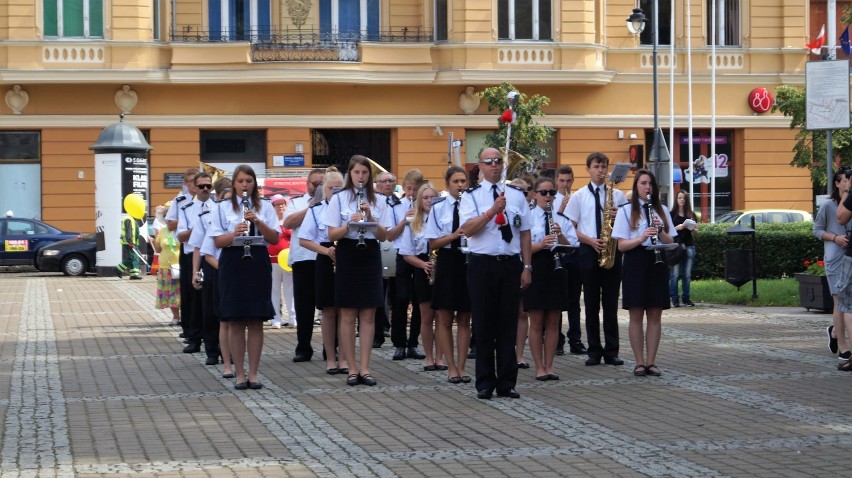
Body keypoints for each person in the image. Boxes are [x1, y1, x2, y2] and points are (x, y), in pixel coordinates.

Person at [460, 147, 532, 400]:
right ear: (479, 166)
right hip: (482, 264)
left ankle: (507, 382)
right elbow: (467, 230)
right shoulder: (470, 196)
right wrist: (491, 211)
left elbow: (524, 232)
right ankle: (484, 382)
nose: (494, 165)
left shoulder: (516, 194)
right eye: (488, 161)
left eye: (498, 161)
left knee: (507, 325)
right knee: (483, 324)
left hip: (509, 263)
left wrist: (526, 266)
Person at [209, 165, 279, 390]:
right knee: (236, 319)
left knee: (256, 320)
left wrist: (258, 222)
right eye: (240, 181)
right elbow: (217, 242)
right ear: (234, 184)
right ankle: (239, 373)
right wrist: (234, 233)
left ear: (254, 183)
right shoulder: (221, 208)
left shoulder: (265, 206)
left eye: (249, 180)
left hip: (257, 261)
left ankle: (254, 373)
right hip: (232, 261)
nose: (245, 185)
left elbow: (275, 238)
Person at [324, 155, 391, 387]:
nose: (360, 177)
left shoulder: (379, 199)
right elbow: (331, 235)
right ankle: (351, 368)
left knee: (369, 313)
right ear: (349, 175)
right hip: (348, 252)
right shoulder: (339, 198)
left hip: (370, 253)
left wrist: (370, 217)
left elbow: (385, 236)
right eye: (356, 173)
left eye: (364, 173)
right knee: (348, 314)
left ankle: (365, 368)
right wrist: (348, 225)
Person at [611, 169, 675, 377]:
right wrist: (641, 237)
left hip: (657, 261)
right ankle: (639, 362)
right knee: (636, 313)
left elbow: (671, 241)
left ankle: (651, 362)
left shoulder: (662, 209)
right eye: (643, 183)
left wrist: (659, 231)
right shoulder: (626, 210)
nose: (647, 187)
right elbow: (621, 246)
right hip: (636, 261)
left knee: (655, 313)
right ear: (636, 186)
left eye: (650, 184)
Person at [566, 152, 627, 366]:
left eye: (603, 167)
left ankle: (612, 351)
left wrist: (619, 216)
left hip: (611, 250)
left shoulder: (617, 196)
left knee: (610, 303)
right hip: (588, 250)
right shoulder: (579, 196)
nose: (601, 171)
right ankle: (594, 350)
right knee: (591, 303)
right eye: (596, 166)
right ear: (588, 169)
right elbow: (571, 228)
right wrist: (590, 241)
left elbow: (627, 225)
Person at [524, 177, 578, 381]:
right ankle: (539, 367)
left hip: (557, 268)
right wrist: (540, 245)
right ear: (535, 194)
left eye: (551, 193)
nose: (548, 197)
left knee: (554, 321)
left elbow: (573, 247)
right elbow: (521, 248)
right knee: (537, 322)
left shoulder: (561, 218)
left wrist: (560, 235)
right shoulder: (528, 217)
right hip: (537, 267)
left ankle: (550, 366)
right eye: (543, 193)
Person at [299, 170, 348, 375]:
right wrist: (324, 250)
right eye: (331, 188)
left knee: (346, 311)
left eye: (339, 188)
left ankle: (345, 358)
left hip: (347, 257)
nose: (335, 192)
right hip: (325, 257)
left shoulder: (349, 208)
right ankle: (330, 357)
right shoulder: (316, 209)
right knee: (328, 311)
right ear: (324, 189)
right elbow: (304, 239)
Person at [426, 165, 472, 384]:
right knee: (444, 317)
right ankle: (451, 367)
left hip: (468, 261)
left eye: (463, 181)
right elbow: (432, 242)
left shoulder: (474, 206)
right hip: (447, 261)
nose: (460, 185)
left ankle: (462, 367)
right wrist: (454, 235)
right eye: (456, 181)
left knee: (465, 318)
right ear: (448, 184)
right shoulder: (439, 207)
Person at [282, 168, 326, 362]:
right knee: (303, 306)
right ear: (307, 184)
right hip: (303, 259)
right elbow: (289, 223)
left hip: (324, 258)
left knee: (328, 306)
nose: (317, 187)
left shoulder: (331, 203)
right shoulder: (296, 202)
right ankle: (303, 347)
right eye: (314, 183)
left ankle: (330, 348)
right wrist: (311, 206)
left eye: (321, 184)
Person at [400, 183, 445, 371]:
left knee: (442, 318)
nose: (428, 201)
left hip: (442, 267)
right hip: (423, 268)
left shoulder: (444, 219)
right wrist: (422, 264)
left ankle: (441, 357)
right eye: (425, 198)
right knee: (426, 317)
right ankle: (429, 357)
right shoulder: (414, 222)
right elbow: (406, 253)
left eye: (431, 197)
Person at [388, 169, 427, 361]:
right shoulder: (396, 206)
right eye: (409, 188)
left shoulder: (425, 206)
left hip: (420, 254)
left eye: (416, 189)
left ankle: (413, 343)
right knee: (401, 298)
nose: (412, 193)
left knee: (420, 300)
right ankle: (399, 344)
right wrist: (405, 220)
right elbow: (389, 235)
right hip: (402, 254)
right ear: (403, 188)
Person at [176, 172, 215, 355]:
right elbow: (181, 235)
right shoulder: (186, 208)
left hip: (212, 255)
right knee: (192, 299)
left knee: (211, 300)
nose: (205, 189)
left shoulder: (218, 206)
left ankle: (211, 339)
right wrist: (199, 230)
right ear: (195, 188)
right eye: (202, 186)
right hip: (192, 256)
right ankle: (193, 337)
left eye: (208, 186)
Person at [199, 182, 234, 379]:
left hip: (241, 276)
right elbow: (206, 252)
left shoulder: (245, 218)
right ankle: (223, 359)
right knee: (223, 320)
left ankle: (236, 356)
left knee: (240, 321)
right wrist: (226, 269)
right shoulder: (214, 220)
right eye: (226, 200)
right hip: (222, 274)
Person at [815, 170, 851, 360]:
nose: (848, 184)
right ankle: (843, 348)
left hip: (850, 258)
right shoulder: (828, 206)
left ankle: (835, 332)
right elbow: (817, 230)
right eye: (845, 180)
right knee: (839, 300)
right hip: (835, 259)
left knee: (848, 303)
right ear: (837, 183)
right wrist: (835, 238)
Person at [553, 165, 586, 356]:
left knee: (574, 300)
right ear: (557, 180)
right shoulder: (552, 199)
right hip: (557, 252)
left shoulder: (577, 199)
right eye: (562, 181)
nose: (565, 184)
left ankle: (575, 339)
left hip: (573, 253)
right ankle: (556, 339)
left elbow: (578, 227)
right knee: (557, 300)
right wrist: (562, 209)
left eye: (568, 181)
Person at [165, 168, 198, 341]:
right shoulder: (179, 202)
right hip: (186, 249)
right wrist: (185, 221)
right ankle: (188, 330)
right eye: (191, 181)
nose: (195, 185)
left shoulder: (210, 201)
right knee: (186, 292)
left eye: (197, 181)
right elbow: (170, 225)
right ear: (186, 184)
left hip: (203, 250)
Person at [510, 177, 532, 370]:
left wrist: (527, 267)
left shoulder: (530, 211)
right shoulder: (508, 207)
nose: (521, 195)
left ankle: (520, 354)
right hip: (508, 261)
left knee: (522, 311)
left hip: (523, 262)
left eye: (524, 192)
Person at [268, 194, 295, 329]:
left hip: (288, 260)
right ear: (272, 206)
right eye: (277, 204)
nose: (280, 206)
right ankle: (275, 319)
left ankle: (293, 318)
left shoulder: (289, 220)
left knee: (290, 290)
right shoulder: (269, 221)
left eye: (282, 204)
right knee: (274, 290)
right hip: (272, 259)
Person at [669, 190, 699, 308]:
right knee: (675, 274)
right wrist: (678, 227)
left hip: (689, 245)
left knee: (687, 274)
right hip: (676, 246)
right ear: (676, 200)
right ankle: (674, 299)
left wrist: (692, 228)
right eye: (679, 198)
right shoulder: (671, 214)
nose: (681, 200)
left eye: (683, 198)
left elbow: (697, 232)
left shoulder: (691, 214)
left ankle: (686, 298)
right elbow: (668, 231)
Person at [152, 205, 180, 325]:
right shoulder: (162, 231)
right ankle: (176, 317)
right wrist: (154, 240)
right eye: (166, 219)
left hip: (180, 267)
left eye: (171, 218)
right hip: (165, 268)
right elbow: (158, 250)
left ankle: (187, 318)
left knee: (180, 293)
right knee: (169, 293)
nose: (168, 221)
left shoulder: (181, 230)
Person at [116, 208, 143, 280]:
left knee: (135, 258)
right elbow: (128, 232)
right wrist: (130, 242)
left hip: (133, 242)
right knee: (133, 257)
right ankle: (118, 269)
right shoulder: (129, 219)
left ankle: (134, 274)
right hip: (128, 242)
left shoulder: (133, 219)